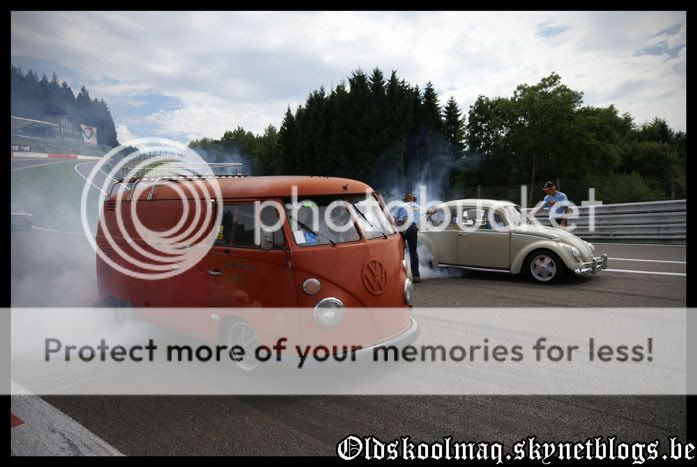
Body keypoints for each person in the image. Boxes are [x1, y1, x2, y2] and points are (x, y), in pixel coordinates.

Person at [393, 192, 435, 283]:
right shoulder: (418, 207)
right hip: (412, 227)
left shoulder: (401, 206)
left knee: (400, 251)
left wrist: (395, 231)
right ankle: (416, 276)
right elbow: (430, 212)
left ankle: (401, 276)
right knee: (413, 252)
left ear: (405, 199)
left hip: (401, 227)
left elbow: (395, 220)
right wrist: (434, 209)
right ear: (413, 199)